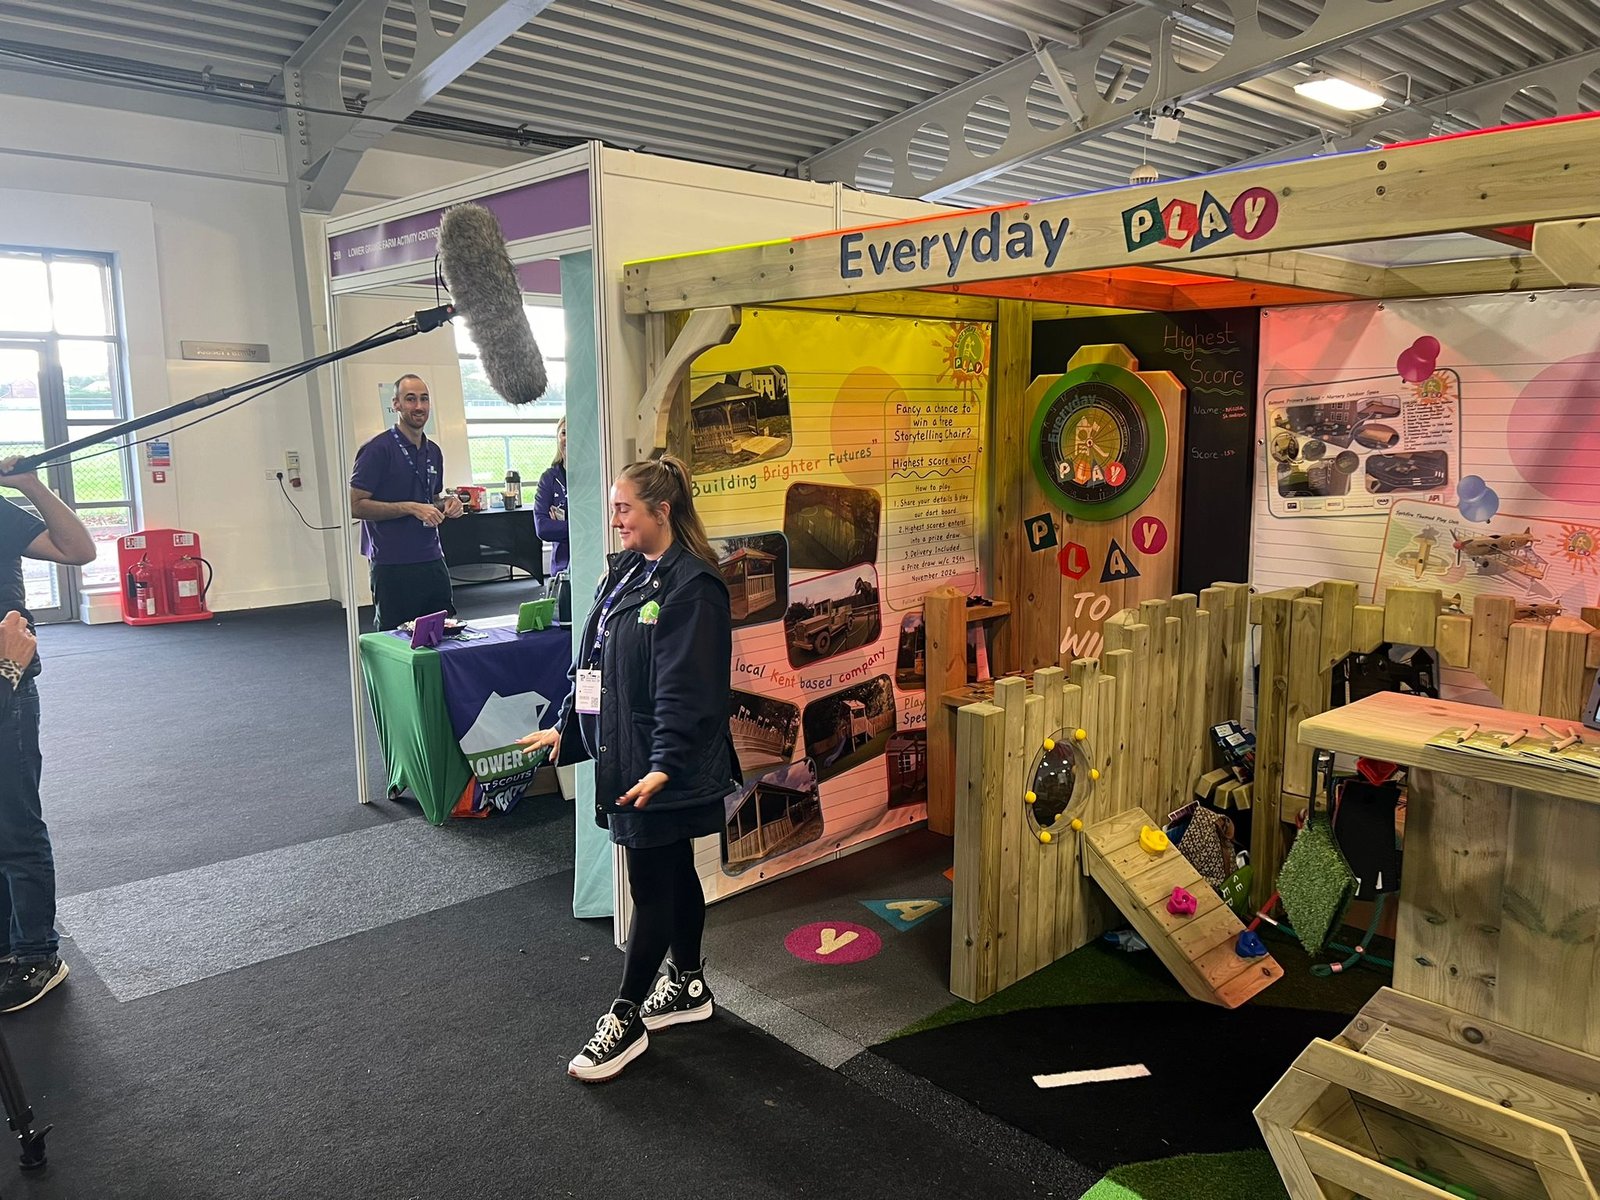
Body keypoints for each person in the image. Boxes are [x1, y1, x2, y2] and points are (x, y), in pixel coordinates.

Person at [518, 455, 738, 1083]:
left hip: (659, 766)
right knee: (672, 871)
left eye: (624, 509)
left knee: (652, 886)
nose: (614, 520)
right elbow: (593, 665)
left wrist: (665, 763)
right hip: (631, 757)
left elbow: (687, 689)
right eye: (614, 508)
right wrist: (566, 726)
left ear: (661, 511)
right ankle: (689, 985)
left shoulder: (693, 587)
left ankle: (626, 1016)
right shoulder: (625, 574)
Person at [0, 456, 95, 1014]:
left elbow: (78, 549)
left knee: (14, 824)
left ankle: (36, 952)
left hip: (7, 681)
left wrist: (30, 484)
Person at [350, 374, 466, 631]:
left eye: (424, 399)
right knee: (395, 637)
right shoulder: (377, 449)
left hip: (431, 557)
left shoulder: (433, 451)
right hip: (392, 561)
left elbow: (432, 499)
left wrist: (449, 503)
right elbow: (355, 505)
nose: (419, 406)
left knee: (442, 632)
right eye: (411, 399)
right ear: (396, 404)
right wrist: (410, 507)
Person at [532, 417, 569, 574]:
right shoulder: (549, 478)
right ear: (558, 438)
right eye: (564, 433)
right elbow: (543, 528)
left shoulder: (596, 476)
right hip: (562, 567)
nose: (568, 438)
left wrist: (559, 526)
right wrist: (578, 527)